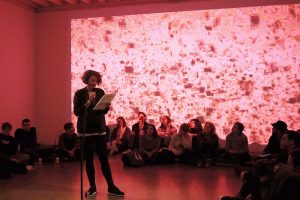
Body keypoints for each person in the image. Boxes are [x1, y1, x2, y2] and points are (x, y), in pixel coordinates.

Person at [73, 70, 124, 197]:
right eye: (92, 80)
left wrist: (106, 105)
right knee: (89, 160)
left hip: (100, 129)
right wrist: (88, 102)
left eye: (96, 80)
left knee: (104, 159)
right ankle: (92, 186)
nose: (94, 83)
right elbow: (77, 112)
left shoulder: (100, 92)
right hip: (86, 131)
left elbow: (103, 111)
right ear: (86, 80)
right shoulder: (79, 93)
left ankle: (111, 186)